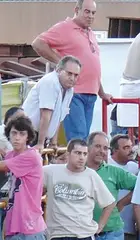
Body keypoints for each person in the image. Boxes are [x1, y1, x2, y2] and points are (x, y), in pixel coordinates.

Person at [31, 0, 113, 142]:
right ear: (77, 10)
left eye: (93, 13)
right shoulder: (64, 28)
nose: (90, 16)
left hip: (91, 94)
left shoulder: (91, 33)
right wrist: (61, 64)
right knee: (78, 138)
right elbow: (38, 43)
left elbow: (92, 67)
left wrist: (102, 92)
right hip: (74, 92)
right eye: (87, 11)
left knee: (84, 139)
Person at [21, 56, 80, 149]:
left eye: (76, 75)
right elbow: (45, 115)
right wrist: (40, 143)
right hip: (27, 133)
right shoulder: (51, 82)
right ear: (59, 70)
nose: (72, 78)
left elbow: (58, 118)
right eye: (69, 73)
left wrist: (53, 143)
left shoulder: (69, 90)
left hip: (39, 135)